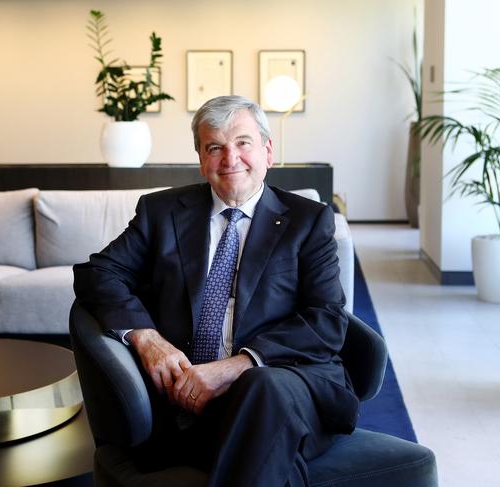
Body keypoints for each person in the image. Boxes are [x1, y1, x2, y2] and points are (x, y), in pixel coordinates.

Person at [73, 95, 359, 486]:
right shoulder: (161, 213)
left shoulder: (308, 222)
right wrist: (147, 338)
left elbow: (326, 321)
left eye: (243, 143)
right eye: (215, 147)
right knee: (271, 450)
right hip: (188, 401)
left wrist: (234, 368)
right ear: (201, 159)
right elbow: (97, 272)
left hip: (292, 383)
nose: (230, 158)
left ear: (268, 151)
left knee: (262, 389)